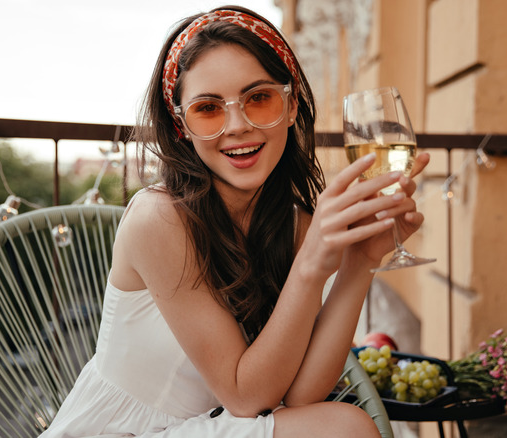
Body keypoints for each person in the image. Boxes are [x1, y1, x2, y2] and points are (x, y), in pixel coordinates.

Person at [40, 6, 430, 437]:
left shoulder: (294, 225)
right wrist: (313, 264)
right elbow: (246, 397)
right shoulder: (160, 218)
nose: (237, 126)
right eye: (208, 108)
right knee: (345, 428)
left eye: (258, 98)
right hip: (124, 431)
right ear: (180, 126)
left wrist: (359, 261)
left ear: (290, 103)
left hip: (213, 426)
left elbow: (300, 396)